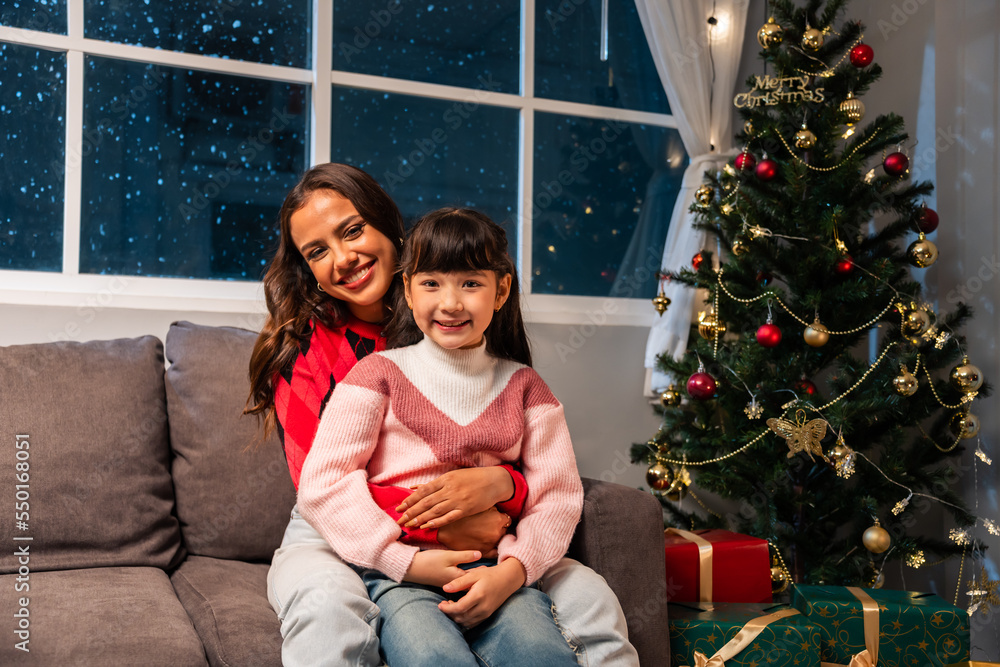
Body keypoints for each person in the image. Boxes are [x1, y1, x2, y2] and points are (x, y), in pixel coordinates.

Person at [246, 163, 638, 666]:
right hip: (344, 523)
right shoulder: (307, 352)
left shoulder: (459, 327)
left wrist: (503, 486)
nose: (343, 258)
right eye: (318, 251)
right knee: (329, 607)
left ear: (388, 225)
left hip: (487, 521)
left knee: (587, 595)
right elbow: (323, 488)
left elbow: (526, 461)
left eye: (352, 230)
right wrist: (438, 532)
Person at [299, 207, 590, 666]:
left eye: (471, 283)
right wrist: (405, 563)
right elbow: (324, 483)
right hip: (402, 575)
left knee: (539, 652)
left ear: (501, 291)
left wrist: (513, 573)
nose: (451, 303)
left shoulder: (527, 387)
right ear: (409, 291)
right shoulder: (377, 375)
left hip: (497, 571)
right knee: (432, 655)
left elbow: (559, 496)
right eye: (432, 283)